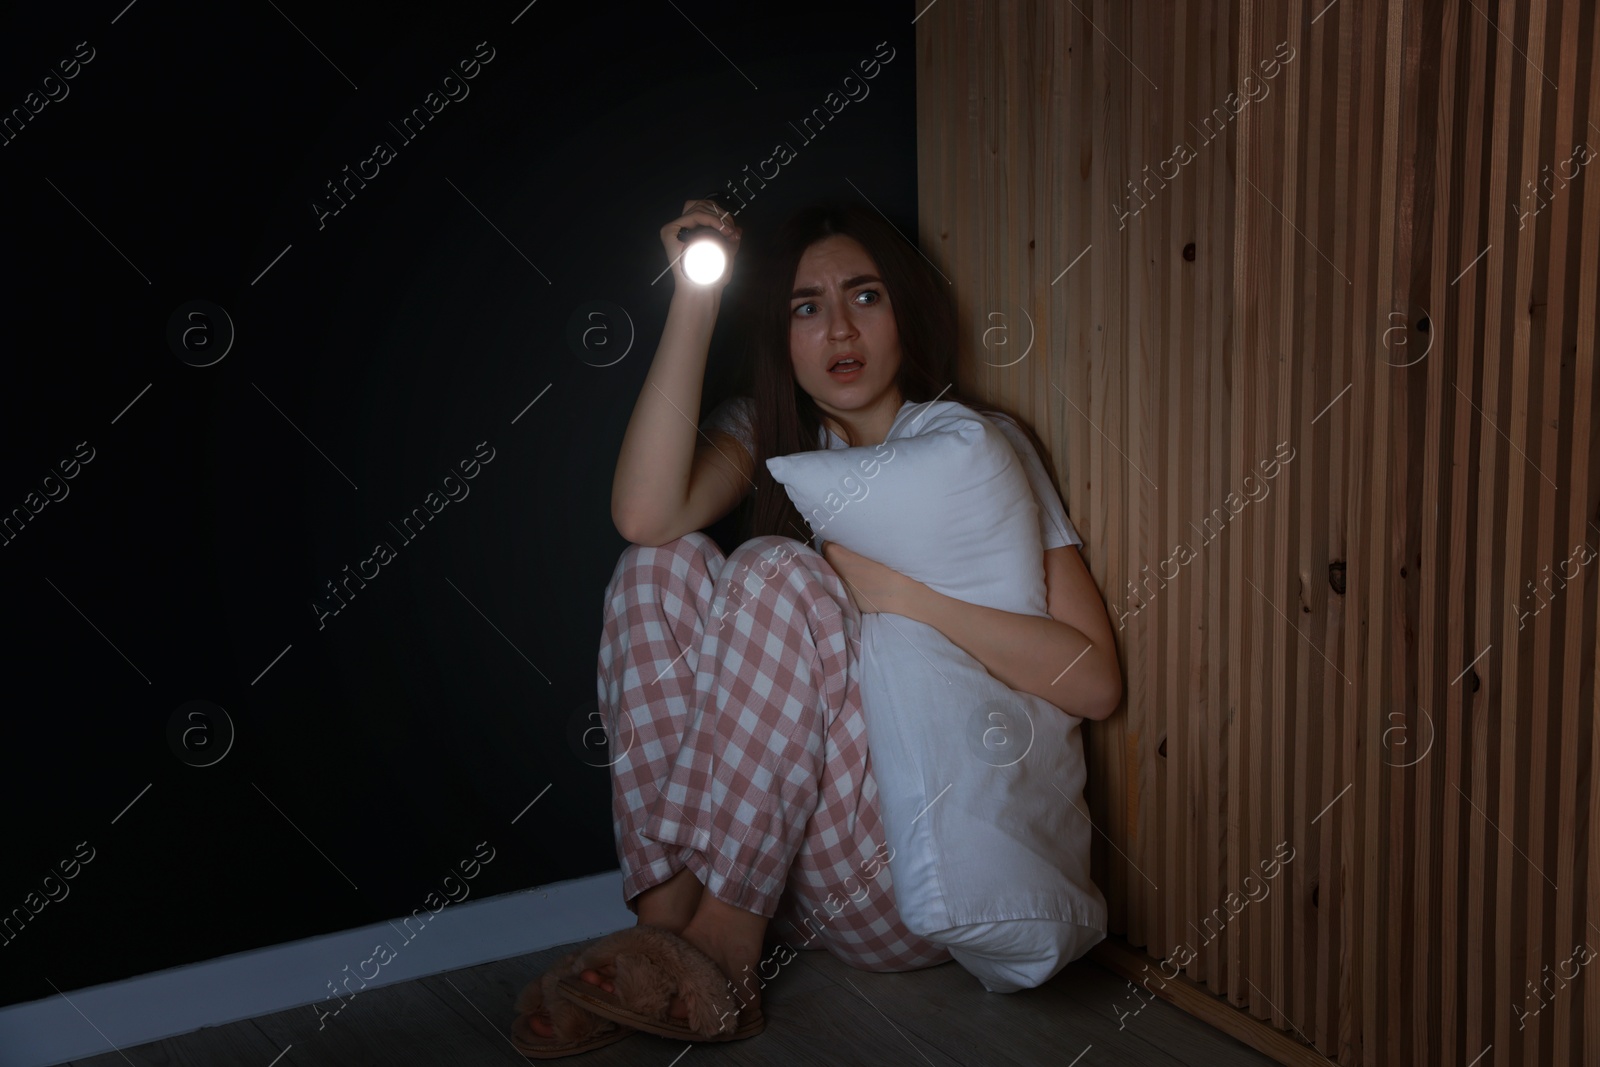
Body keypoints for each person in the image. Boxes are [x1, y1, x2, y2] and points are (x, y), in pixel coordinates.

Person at [512, 196, 1122, 1055]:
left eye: (864, 295)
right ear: (782, 332)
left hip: (889, 874)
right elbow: (645, 515)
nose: (839, 328)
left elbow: (1094, 680)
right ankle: (664, 928)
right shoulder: (769, 435)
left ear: (903, 309)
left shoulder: (979, 448)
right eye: (807, 306)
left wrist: (897, 593)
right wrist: (693, 295)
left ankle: (718, 950)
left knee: (776, 568)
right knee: (658, 564)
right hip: (773, 865)